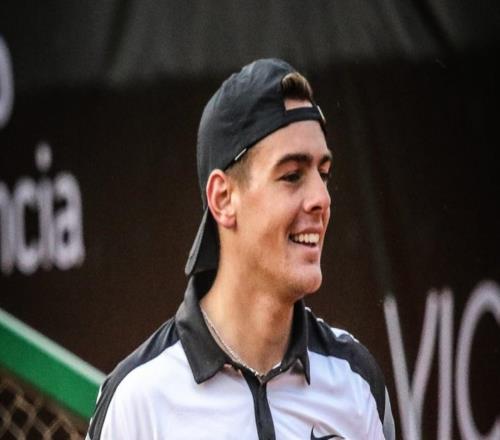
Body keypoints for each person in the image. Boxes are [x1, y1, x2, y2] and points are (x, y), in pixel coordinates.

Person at [86, 58, 395, 440]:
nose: (322, 198)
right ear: (223, 198)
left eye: (324, 174)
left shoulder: (356, 380)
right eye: (292, 175)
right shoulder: (139, 399)